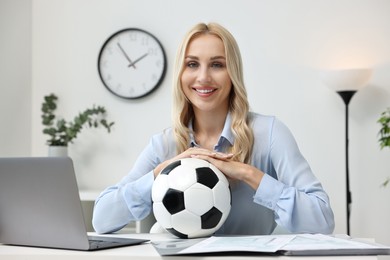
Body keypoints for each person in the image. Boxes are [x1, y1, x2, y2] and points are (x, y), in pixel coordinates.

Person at [92, 22, 335, 235]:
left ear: (233, 74)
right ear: (181, 74)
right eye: (192, 64)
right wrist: (160, 173)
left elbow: (323, 220)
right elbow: (101, 220)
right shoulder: (164, 144)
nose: (203, 77)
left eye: (217, 64)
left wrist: (248, 174)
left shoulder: (269, 133)